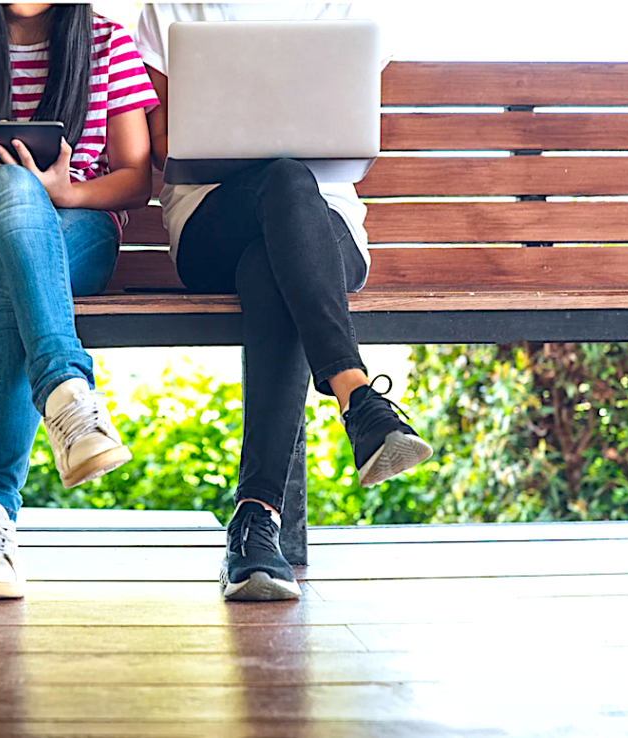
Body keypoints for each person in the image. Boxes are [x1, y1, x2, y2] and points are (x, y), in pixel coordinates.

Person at [135, 4, 433, 601]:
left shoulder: (349, 7)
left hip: (324, 231)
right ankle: (358, 399)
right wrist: (237, 147)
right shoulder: (172, 6)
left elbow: (358, 127)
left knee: (274, 251)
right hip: (210, 220)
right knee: (285, 177)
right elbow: (160, 145)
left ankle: (254, 525)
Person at [0, 3, 159, 599]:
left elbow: (135, 177)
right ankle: (65, 392)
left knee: (14, 278)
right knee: (15, 195)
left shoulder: (108, 43)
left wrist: (64, 191)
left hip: (76, 228)